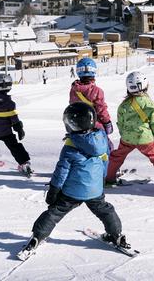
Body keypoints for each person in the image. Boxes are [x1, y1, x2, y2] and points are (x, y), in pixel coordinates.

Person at [20, 103, 129, 255]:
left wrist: (54, 190)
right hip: (95, 190)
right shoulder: (102, 139)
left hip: (72, 193)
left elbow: (61, 171)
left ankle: (37, 236)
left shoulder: (71, 146)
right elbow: (105, 161)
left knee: (54, 212)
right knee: (105, 210)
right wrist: (102, 179)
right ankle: (116, 235)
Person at [105, 71, 154, 195]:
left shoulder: (123, 105)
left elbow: (120, 122)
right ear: (145, 85)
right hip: (145, 138)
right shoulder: (148, 103)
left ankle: (109, 178)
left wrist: (124, 135)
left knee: (116, 157)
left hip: (127, 139)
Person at [69, 58, 112, 136]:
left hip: (76, 126)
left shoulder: (74, 89)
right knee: (107, 145)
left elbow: (72, 105)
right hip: (93, 126)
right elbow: (101, 110)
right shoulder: (97, 91)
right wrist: (107, 123)